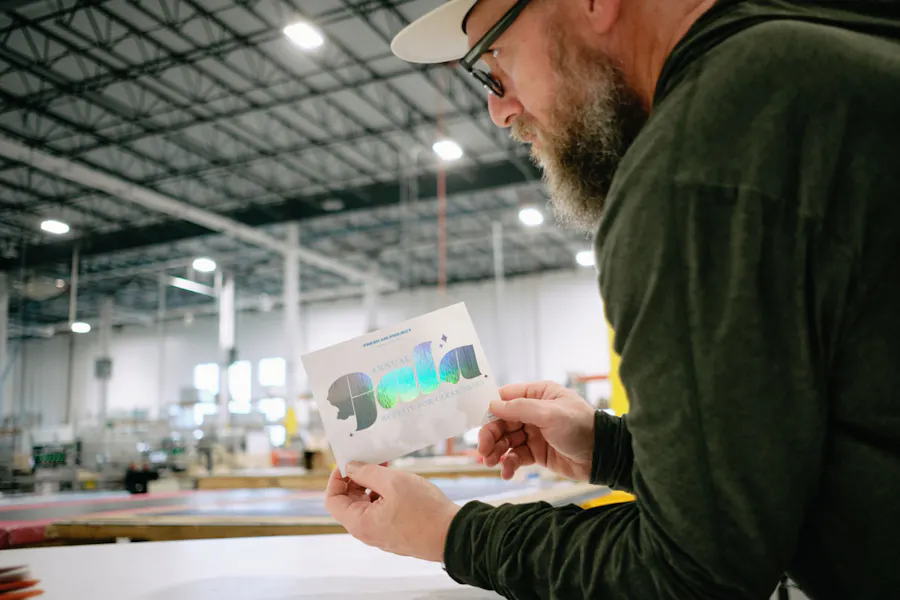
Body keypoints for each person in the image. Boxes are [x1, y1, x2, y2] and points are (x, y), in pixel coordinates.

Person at [324, 0, 900, 598]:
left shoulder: (696, 168)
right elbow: (816, 453)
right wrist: (614, 449)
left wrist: (451, 533)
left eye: (492, 59)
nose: (498, 108)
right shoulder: (820, 55)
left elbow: (690, 578)